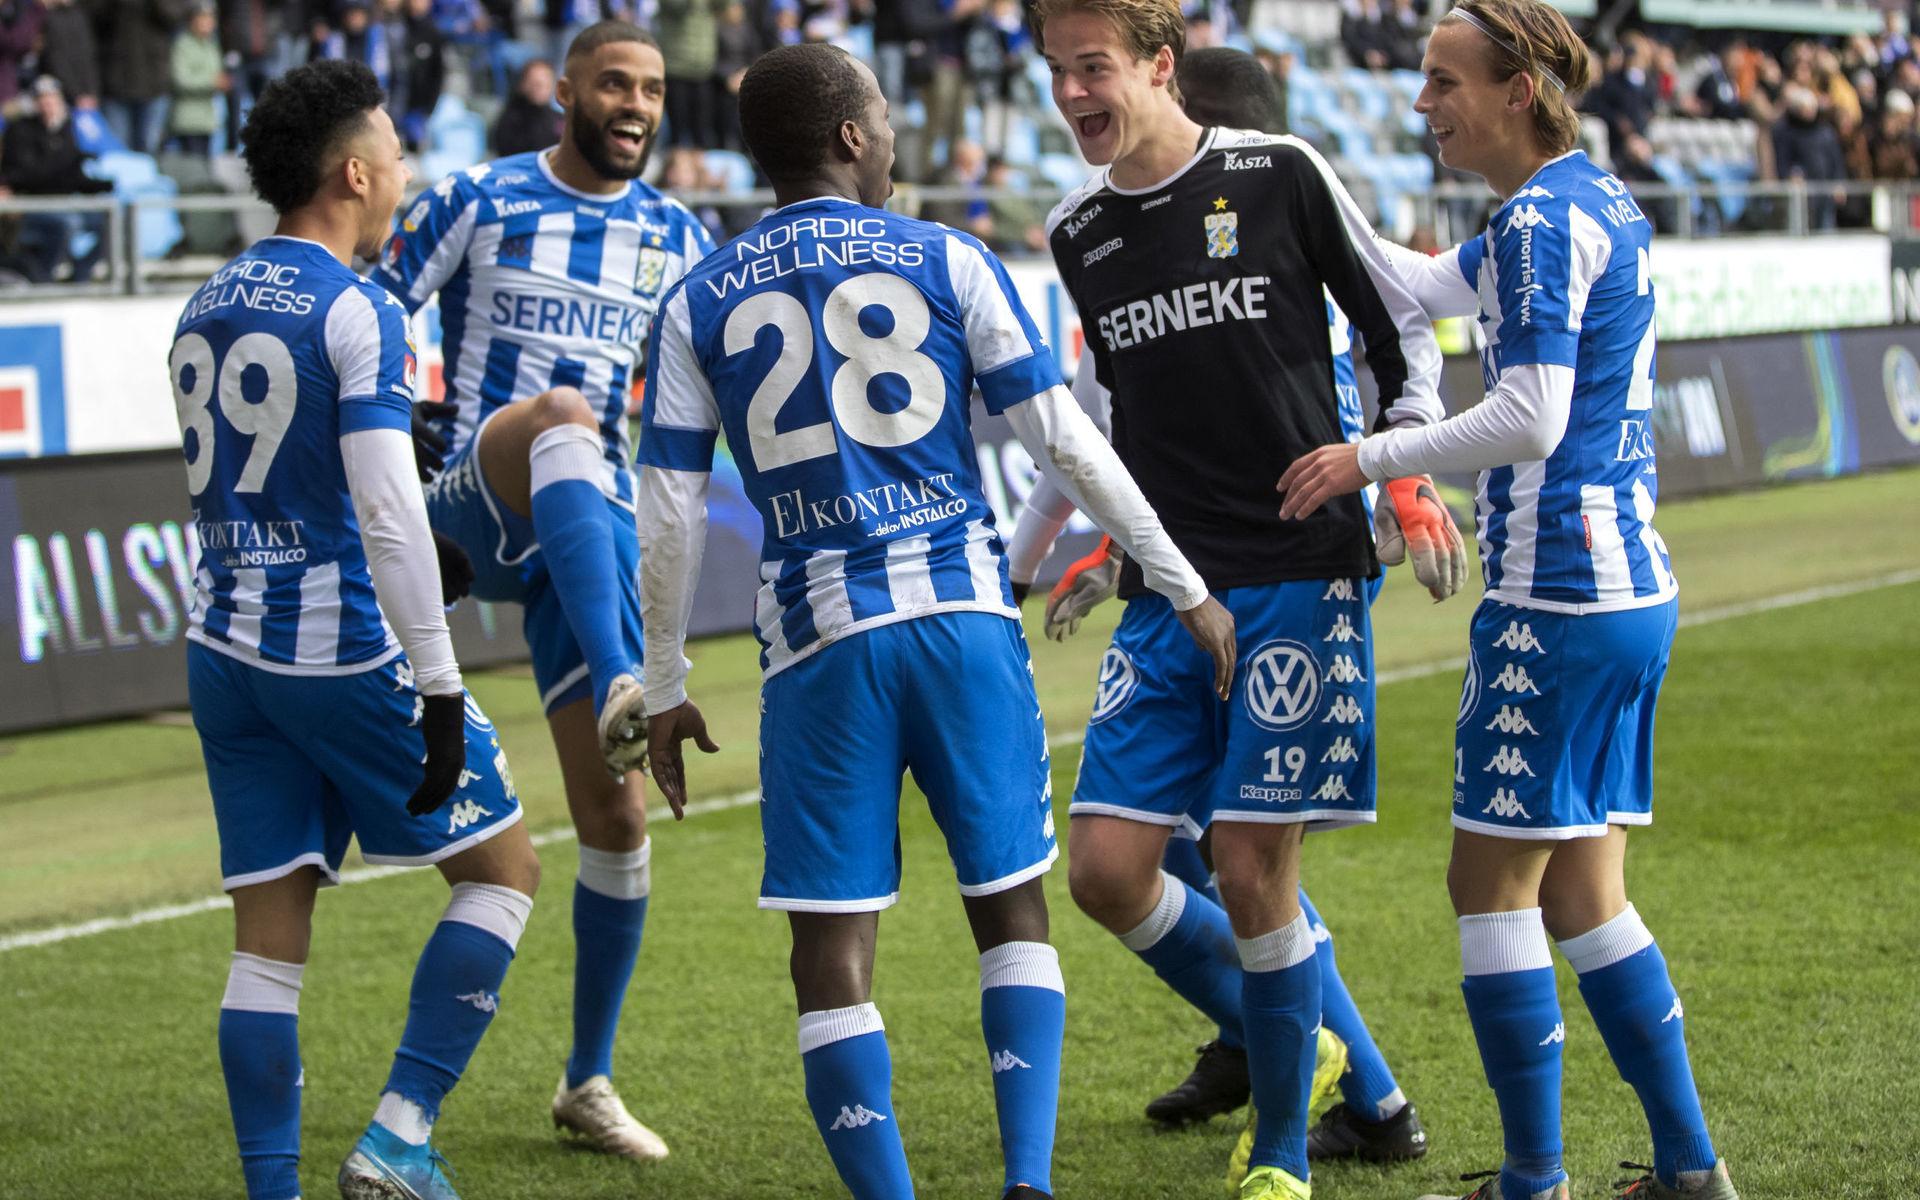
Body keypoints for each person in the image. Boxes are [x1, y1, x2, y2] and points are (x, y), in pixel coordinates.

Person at [638, 40, 1233, 1200]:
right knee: (1009, 908)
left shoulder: (697, 296)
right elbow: (1062, 441)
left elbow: (667, 511)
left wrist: (664, 684)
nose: (897, 140)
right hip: (960, 619)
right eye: (886, 119)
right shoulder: (946, 255)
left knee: (830, 946)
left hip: (818, 643)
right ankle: (1026, 1184)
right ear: (851, 135)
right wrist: (1183, 581)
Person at [1276, 3, 1740, 1198]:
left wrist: (1369, 458)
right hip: (1627, 588)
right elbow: (1414, 278)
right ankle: (1689, 1168)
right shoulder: (1584, 199)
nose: (1421, 103)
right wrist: (1299, 172)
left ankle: (1534, 1179)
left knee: (1487, 889)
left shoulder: (1536, 224)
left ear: (1518, 90)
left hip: (1559, 598)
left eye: (1444, 82)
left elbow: (1530, 417)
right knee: (1584, 890)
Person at [1030, 1, 1465, 1196]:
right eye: (1057, 71)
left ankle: (1280, 1158)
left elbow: (1399, 329)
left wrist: (1400, 468)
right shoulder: (1076, 230)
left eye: (1093, 67)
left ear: (1159, 67)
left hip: (1294, 574)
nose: (1072, 94)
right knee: (1106, 869)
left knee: (1249, 867)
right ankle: (1306, 1045)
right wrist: (1106, 545)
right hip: (1168, 592)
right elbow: (1125, 414)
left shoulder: (1281, 174)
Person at [174, 58, 540, 1200]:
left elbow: (281, 481)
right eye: (396, 153)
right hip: (336, 650)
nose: (406, 173)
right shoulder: (360, 308)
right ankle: (399, 1135)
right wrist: (439, 685)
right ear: (353, 173)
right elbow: (385, 517)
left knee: (265, 945)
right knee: (502, 873)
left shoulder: (204, 301)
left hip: (222, 648)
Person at [371, 18, 715, 1162]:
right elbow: (366, 311)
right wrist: (388, 430)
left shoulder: (677, 237)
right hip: (477, 490)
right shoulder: (478, 198)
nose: (635, 105)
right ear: (565, 90)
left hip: (583, 527)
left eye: (651, 90)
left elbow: (701, 395)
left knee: (617, 821)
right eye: (614, 83)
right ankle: (625, 680)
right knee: (561, 414)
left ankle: (588, 1080)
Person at [0, 77, 115, 283]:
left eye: (52, 98)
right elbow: (26, 175)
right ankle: (44, 278)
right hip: (33, 204)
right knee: (68, 223)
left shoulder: (67, 130)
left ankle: (80, 275)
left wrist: (102, 184)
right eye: (43, 99)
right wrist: (64, 169)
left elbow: (73, 175)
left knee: (110, 220)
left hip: (65, 201)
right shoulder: (20, 131)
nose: (48, 104)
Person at [490, 58, 565, 156]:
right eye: (534, 83)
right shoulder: (511, 121)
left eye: (544, 83)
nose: (539, 88)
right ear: (522, 84)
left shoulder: (560, 119)